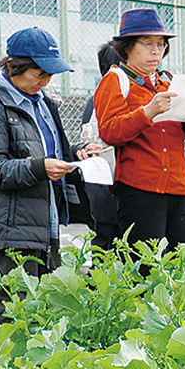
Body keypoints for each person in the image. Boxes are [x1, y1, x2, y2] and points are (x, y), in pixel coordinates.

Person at [0, 27, 94, 324]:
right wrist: (40, 168)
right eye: (39, 74)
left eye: (49, 75)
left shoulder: (44, 101)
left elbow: (53, 150)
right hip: (14, 221)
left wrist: (77, 153)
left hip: (45, 216)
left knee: (48, 304)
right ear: (13, 67)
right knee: (19, 309)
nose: (45, 81)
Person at [93, 8, 185, 251]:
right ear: (127, 47)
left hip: (179, 188)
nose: (156, 51)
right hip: (139, 190)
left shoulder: (169, 83)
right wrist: (148, 112)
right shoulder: (116, 79)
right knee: (145, 271)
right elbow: (110, 131)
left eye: (161, 45)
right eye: (148, 43)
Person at [78, 43, 123, 250]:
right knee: (110, 250)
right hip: (109, 192)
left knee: (105, 249)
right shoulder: (110, 99)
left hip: (99, 192)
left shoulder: (95, 99)